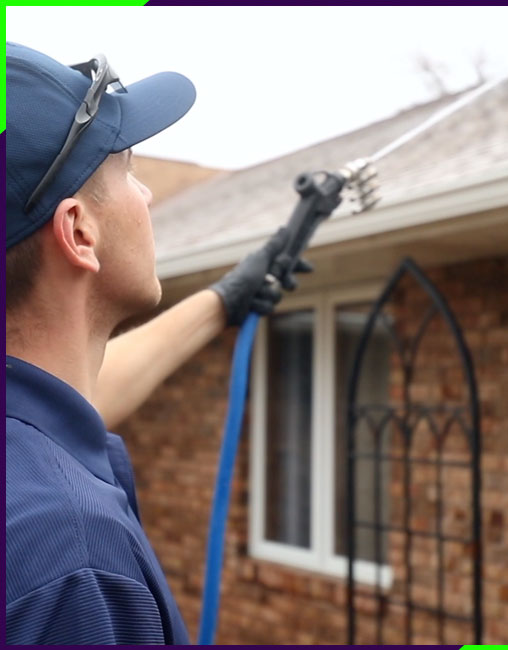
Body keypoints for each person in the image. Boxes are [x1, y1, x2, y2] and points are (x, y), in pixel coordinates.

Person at [6, 42, 308, 644]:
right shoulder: (74, 561)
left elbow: (69, 402)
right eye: (128, 170)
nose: (146, 197)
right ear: (78, 231)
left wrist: (222, 300)